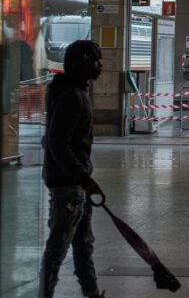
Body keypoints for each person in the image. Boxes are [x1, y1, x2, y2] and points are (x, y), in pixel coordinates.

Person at [39, 40, 105, 298]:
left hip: (77, 182)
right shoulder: (72, 97)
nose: (100, 66)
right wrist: (83, 178)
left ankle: (92, 292)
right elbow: (57, 143)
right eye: (95, 61)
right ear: (82, 64)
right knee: (58, 247)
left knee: (83, 242)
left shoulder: (72, 91)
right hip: (69, 185)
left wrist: (84, 179)